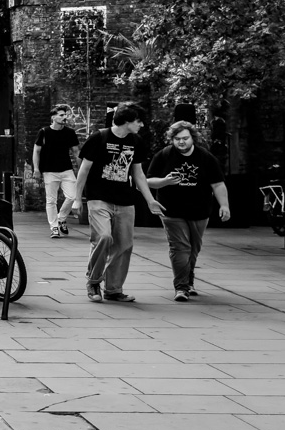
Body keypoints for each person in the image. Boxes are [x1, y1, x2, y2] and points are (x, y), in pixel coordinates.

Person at [61, 103, 163, 303]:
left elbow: (138, 173)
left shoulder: (136, 141)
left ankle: (113, 289)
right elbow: (84, 170)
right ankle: (93, 281)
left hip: (125, 200)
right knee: (104, 237)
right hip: (98, 198)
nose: (142, 125)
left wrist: (151, 200)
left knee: (124, 245)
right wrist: (77, 199)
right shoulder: (99, 138)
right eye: (139, 121)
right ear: (127, 121)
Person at [146, 121, 230, 300]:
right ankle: (181, 287)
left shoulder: (205, 157)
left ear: (193, 138)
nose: (181, 142)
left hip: (199, 210)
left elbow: (217, 183)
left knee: (193, 249)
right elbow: (148, 181)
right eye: (177, 139)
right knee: (180, 248)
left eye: (185, 138)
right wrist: (165, 181)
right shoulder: (164, 155)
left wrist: (224, 205)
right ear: (172, 139)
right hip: (171, 210)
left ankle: (188, 280)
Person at [34, 111, 81, 238]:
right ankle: (54, 227)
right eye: (61, 115)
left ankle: (61, 218)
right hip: (49, 170)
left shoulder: (69, 132)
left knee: (73, 196)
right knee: (51, 201)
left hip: (66, 169)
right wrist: (36, 169)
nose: (64, 117)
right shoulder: (44, 132)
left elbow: (76, 152)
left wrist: (81, 169)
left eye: (65, 115)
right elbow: (36, 151)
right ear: (53, 117)